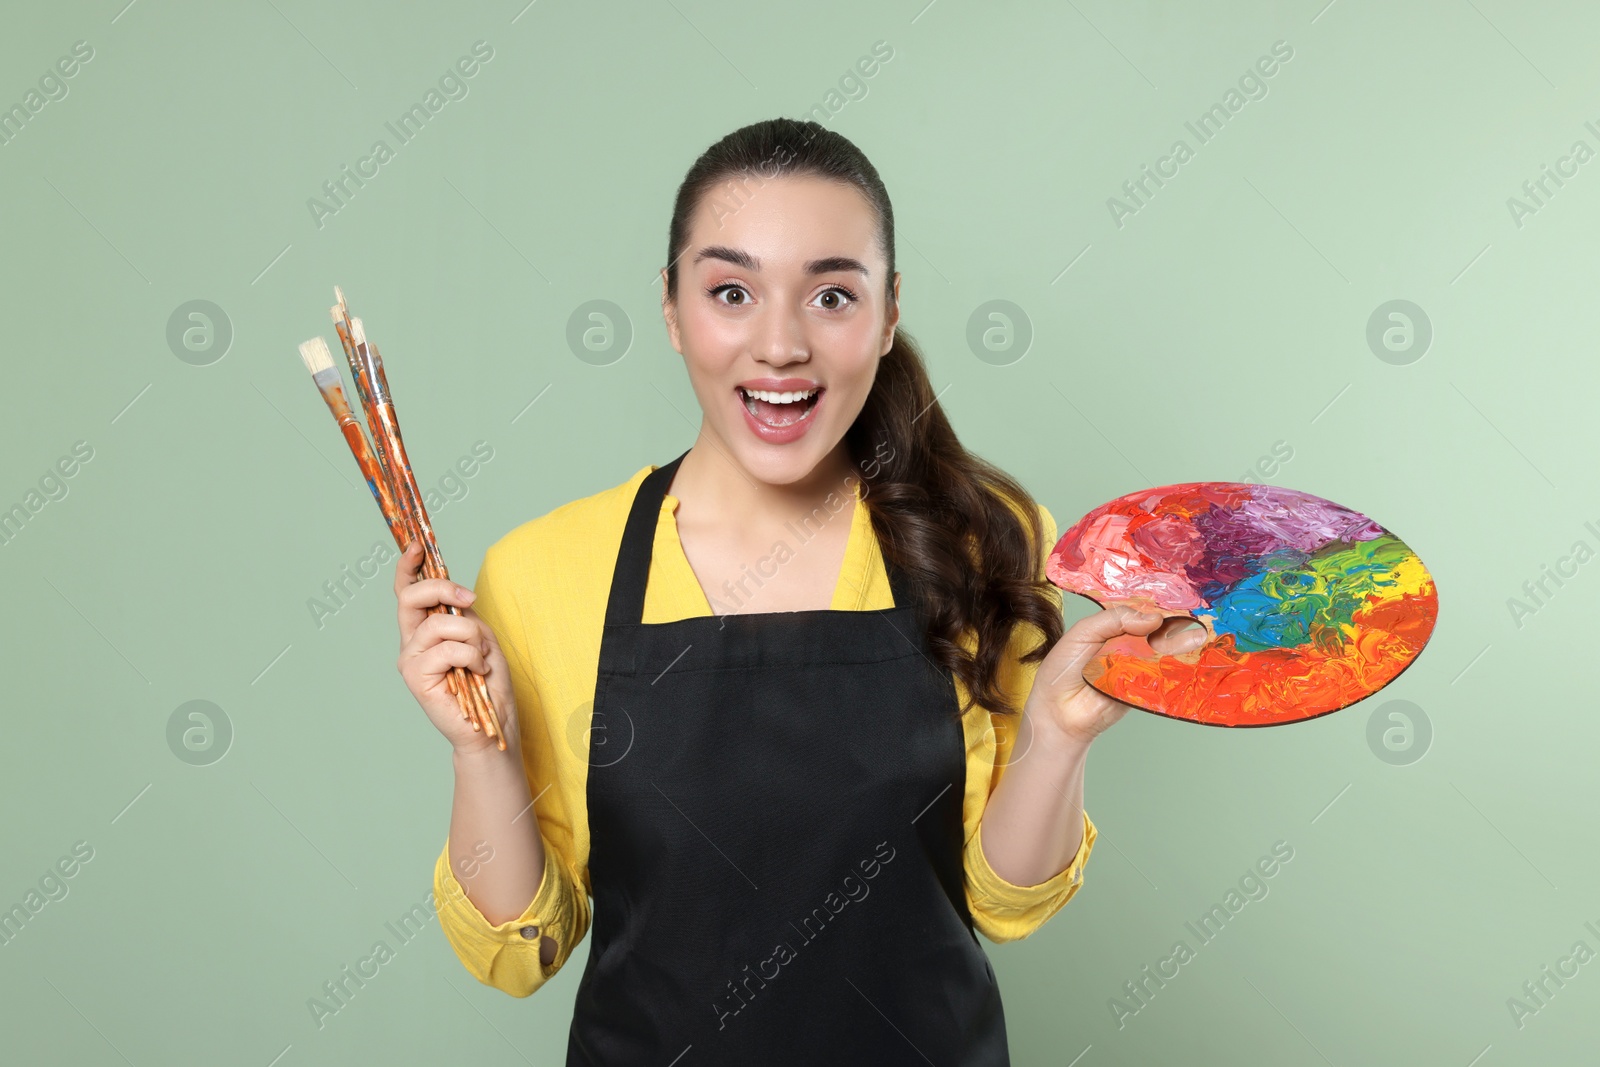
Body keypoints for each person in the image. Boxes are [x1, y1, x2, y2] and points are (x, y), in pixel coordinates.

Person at [394, 117, 1204, 1065]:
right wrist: (477, 752)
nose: (779, 346)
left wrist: (1061, 736)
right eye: (730, 291)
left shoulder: (981, 535)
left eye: (830, 294)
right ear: (668, 306)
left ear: (890, 310)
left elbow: (1002, 899)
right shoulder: (544, 568)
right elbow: (521, 949)